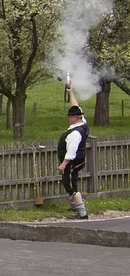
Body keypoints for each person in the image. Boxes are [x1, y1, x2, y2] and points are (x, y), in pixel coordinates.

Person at [58, 88, 90, 220]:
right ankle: (74, 205)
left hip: (72, 161)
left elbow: (71, 151)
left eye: (70, 116)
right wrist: (70, 92)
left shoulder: (75, 133)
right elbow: (75, 105)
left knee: (71, 184)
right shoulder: (83, 123)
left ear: (74, 117)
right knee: (67, 181)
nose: (68, 118)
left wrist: (64, 164)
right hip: (79, 160)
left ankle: (82, 213)